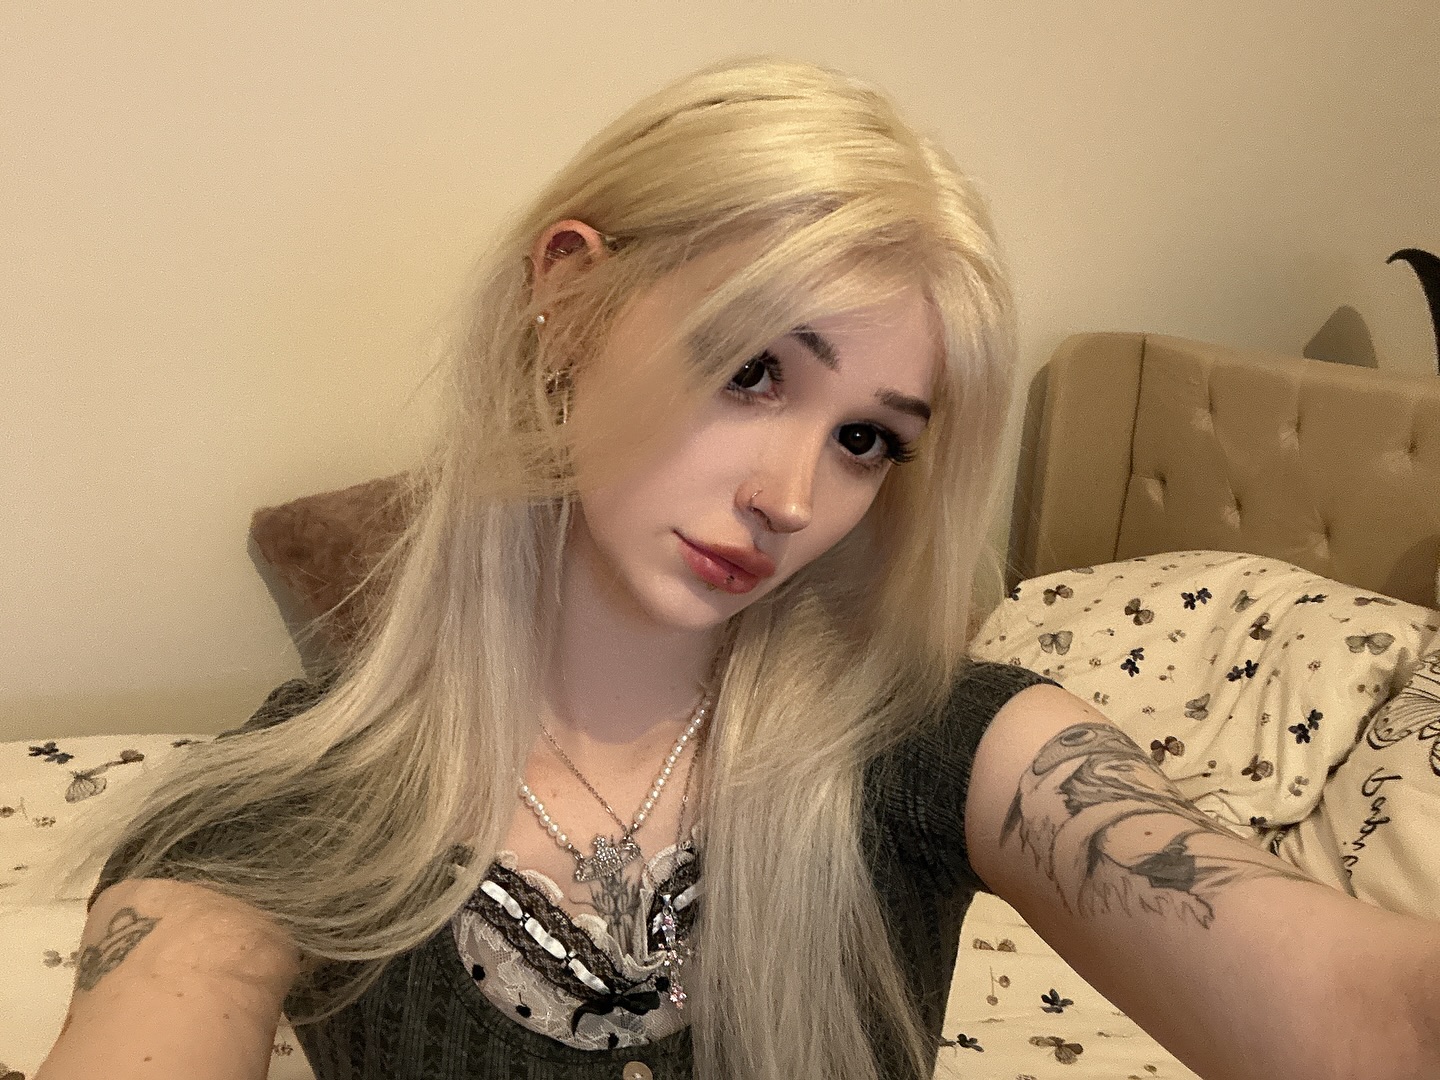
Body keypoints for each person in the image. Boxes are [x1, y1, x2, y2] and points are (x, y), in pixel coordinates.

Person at [37, 57, 1439, 1080]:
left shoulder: (947, 745)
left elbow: (1359, 1009)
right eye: (754, 369)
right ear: (569, 298)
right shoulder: (288, 807)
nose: (793, 497)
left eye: (868, 439)